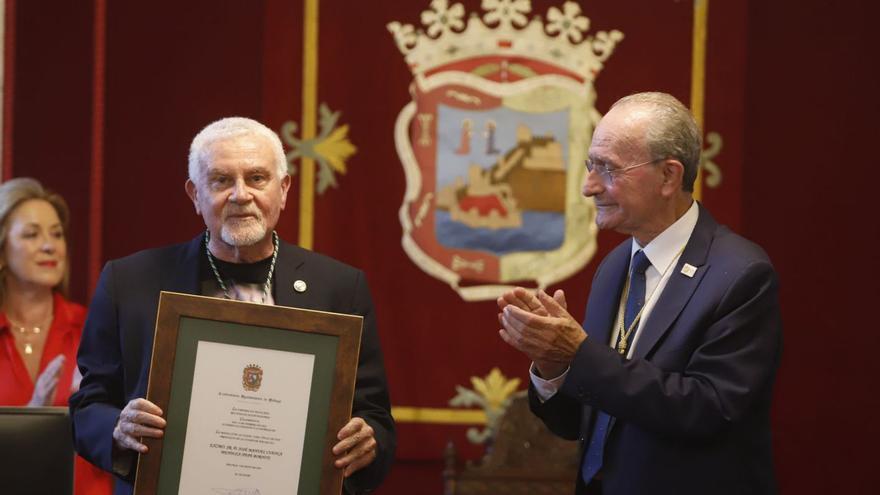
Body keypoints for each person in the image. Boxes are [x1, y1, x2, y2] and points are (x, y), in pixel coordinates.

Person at [69, 117, 395, 494]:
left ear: (284, 189)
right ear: (195, 194)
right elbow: (87, 408)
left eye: (257, 178)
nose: (241, 194)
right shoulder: (129, 282)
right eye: (221, 180)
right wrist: (117, 427)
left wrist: (368, 442)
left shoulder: (340, 288)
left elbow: (376, 418)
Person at [496, 92, 782, 494]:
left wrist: (579, 354)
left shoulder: (740, 275)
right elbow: (577, 423)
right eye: (589, 166)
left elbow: (710, 411)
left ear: (668, 176)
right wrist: (554, 365)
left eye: (608, 169)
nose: (588, 186)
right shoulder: (615, 266)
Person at [0, 177, 113, 495]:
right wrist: (32, 418)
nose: (50, 245)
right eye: (32, 234)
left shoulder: (95, 330)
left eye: (57, 234)